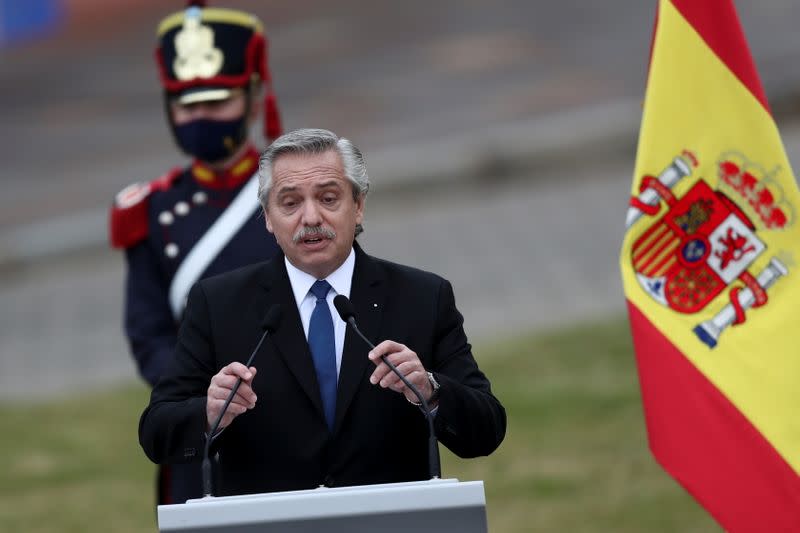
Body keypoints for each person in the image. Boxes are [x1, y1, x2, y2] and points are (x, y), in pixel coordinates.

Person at [139, 128, 506, 496]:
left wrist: (431, 389)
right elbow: (157, 432)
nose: (310, 217)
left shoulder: (422, 296)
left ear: (358, 206)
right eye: (290, 203)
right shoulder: (217, 303)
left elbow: (486, 429)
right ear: (268, 217)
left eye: (328, 198)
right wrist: (208, 411)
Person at [108, 2, 283, 504]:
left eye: (216, 101)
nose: (201, 117)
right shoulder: (153, 209)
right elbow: (149, 333)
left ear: (252, 100)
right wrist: (206, 397)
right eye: (187, 106)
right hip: (202, 426)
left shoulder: (294, 193)